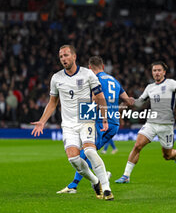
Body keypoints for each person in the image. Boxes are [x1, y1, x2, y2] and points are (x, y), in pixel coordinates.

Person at [31, 46, 114, 200]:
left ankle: (107, 189)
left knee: (89, 151)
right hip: (68, 123)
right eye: (61, 56)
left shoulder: (87, 74)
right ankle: (96, 182)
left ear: (74, 56)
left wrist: (104, 118)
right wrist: (42, 121)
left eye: (66, 55)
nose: (63, 58)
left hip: (86, 117)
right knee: (73, 159)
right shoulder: (56, 78)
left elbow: (100, 96)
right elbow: (52, 103)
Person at [57, 55, 133, 194]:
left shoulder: (93, 79)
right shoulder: (114, 80)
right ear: (103, 67)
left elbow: (94, 99)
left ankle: (76, 185)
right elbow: (128, 101)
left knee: (85, 152)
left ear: (90, 68)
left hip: (99, 121)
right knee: (88, 153)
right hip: (114, 124)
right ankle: (79, 183)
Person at [115, 61, 176, 184]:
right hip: (152, 123)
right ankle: (126, 176)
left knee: (167, 155)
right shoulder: (150, 87)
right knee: (137, 145)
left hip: (166, 125)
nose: (157, 73)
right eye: (154, 70)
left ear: (164, 72)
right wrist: (129, 102)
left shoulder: (171, 83)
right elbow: (139, 103)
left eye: (159, 70)